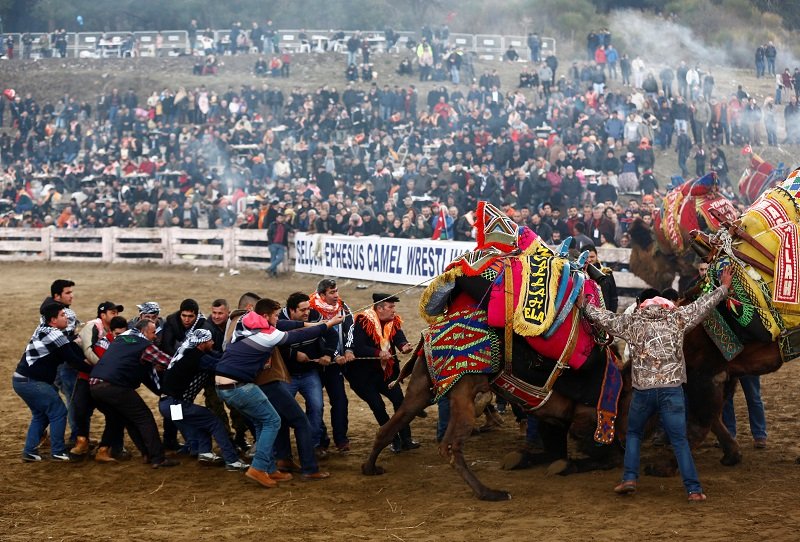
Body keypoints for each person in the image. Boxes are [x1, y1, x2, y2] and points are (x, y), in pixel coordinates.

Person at [579, 265, 733, 502]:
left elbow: (605, 319)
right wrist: (723, 288)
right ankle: (693, 490)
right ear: (667, 307)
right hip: (672, 390)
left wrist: (584, 306)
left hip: (643, 392)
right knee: (680, 440)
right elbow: (703, 306)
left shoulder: (633, 323)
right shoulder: (677, 319)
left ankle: (629, 478)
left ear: (643, 308)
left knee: (634, 434)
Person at [214, 298, 342, 488]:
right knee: (273, 421)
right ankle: (258, 468)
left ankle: (269, 467)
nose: (278, 318)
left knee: (261, 421)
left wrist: (310, 323)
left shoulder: (246, 320)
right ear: (265, 316)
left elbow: (283, 324)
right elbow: (296, 337)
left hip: (224, 384)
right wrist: (328, 324)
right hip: (238, 386)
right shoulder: (269, 336)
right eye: (274, 315)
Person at [89, 319, 180, 468]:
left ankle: (146, 454)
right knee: (144, 418)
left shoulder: (121, 339)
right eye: (152, 333)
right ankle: (158, 458)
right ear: (144, 332)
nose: (155, 337)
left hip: (94, 386)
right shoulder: (144, 345)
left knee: (129, 419)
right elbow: (168, 361)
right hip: (115, 386)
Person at [159, 328, 249, 471]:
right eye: (210, 341)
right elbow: (221, 366)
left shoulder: (187, 351)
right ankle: (232, 461)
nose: (212, 343)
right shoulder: (198, 358)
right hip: (176, 404)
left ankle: (204, 452)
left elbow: (216, 356)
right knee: (214, 421)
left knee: (200, 422)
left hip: (167, 405)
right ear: (202, 343)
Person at [13, 302, 92, 462]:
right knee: (59, 411)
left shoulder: (43, 328)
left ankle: (30, 452)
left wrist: (72, 342)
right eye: (63, 316)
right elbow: (73, 361)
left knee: (41, 415)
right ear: (53, 320)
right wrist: (98, 371)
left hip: (21, 381)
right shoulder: (55, 335)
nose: (67, 320)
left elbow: (67, 348)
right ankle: (58, 451)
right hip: (32, 382)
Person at [344, 293, 419, 453]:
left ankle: (406, 439)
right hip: (363, 376)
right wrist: (378, 353)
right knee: (378, 406)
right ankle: (393, 438)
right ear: (379, 308)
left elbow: (398, 336)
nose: (394, 310)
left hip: (386, 373)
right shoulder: (362, 321)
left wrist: (404, 345)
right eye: (390, 307)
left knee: (400, 402)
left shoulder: (393, 321)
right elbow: (358, 346)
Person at [70, 301, 124, 456]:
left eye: (117, 313)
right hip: (88, 376)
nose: (116, 315)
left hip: (101, 378)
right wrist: (104, 368)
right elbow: (87, 350)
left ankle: (107, 447)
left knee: (112, 412)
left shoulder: (116, 329)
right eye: (113, 312)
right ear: (102, 315)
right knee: (80, 408)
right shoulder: (93, 326)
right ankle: (82, 442)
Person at [309, 278, 354, 452]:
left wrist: (349, 349)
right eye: (332, 292)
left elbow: (350, 327)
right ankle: (320, 439)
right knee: (315, 403)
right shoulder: (311, 309)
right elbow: (318, 336)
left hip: (335, 366)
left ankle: (341, 438)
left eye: (336, 291)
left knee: (340, 401)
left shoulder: (343, 307)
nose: (336, 296)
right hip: (315, 364)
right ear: (321, 294)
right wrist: (335, 355)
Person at [722, 376, 767, 449]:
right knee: (725, 398)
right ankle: (728, 434)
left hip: (747, 366)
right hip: (728, 366)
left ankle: (760, 434)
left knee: (754, 398)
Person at [267, 212, 291, 277]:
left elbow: (290, 229)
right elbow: (269, 234)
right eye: (279, 218)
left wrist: (293, 231)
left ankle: (270, 268)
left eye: (282, 218)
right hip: (273, 243)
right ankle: (273, 272)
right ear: (276, 218)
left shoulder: (284, 225)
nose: (281, 219)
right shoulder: (272, 224)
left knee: (280, 258)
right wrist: (270, 243)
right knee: (273, 258)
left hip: (281, 244)